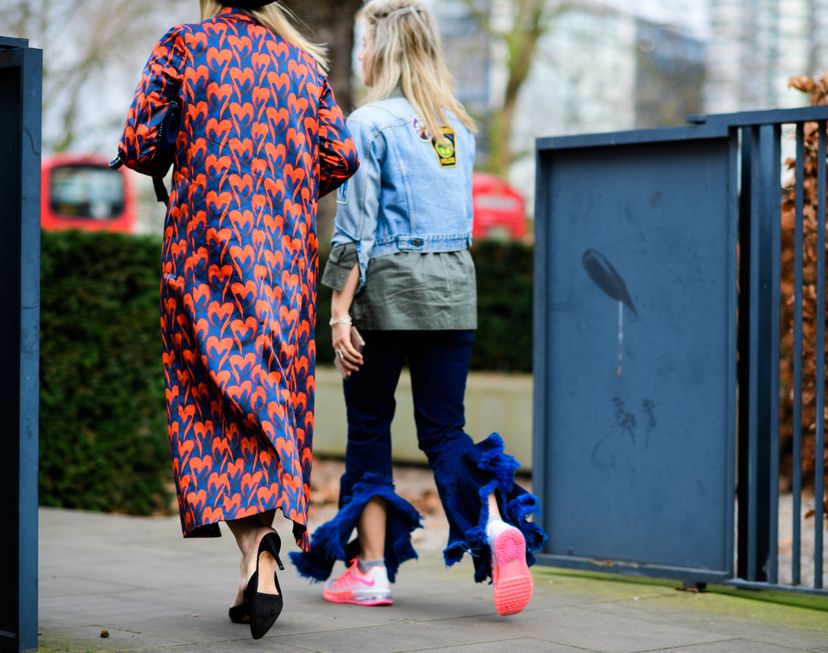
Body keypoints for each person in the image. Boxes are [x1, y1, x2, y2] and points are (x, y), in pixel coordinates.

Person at [289, 0, 545, 618]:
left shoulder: (368, 123)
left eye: (366, 44)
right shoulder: (459, 127)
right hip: (455, 290)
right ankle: (489, 519)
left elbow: (356, 226)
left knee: (370, 427)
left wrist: (339, 313)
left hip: (388, 292)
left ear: (381, 51)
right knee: (443, 430)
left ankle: (371, 571)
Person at [113, 0, 358, 639]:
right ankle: (258, 558)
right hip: (282, 263)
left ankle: (258, 554)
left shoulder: (186, 46)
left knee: (208, 406)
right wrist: (281, 176)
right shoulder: (304, 66)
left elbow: (139, 143)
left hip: (206, 256)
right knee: (268, 404)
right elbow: (340, 155)